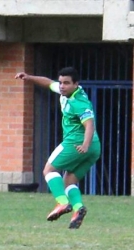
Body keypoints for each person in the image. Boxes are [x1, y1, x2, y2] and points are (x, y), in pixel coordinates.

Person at [15, 67, 101, 229]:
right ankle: (78, 209)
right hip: (94, 147)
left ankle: (62, 203)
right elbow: (48, 83)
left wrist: (84, 144)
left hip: (77, 143)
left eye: (66, 83)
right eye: (61, 82)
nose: (62, 86)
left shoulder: (78, 102)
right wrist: (28, 77)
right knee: (69, 180)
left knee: (49, 170)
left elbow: (90, 124)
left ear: (76, 84)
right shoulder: (65, 92)